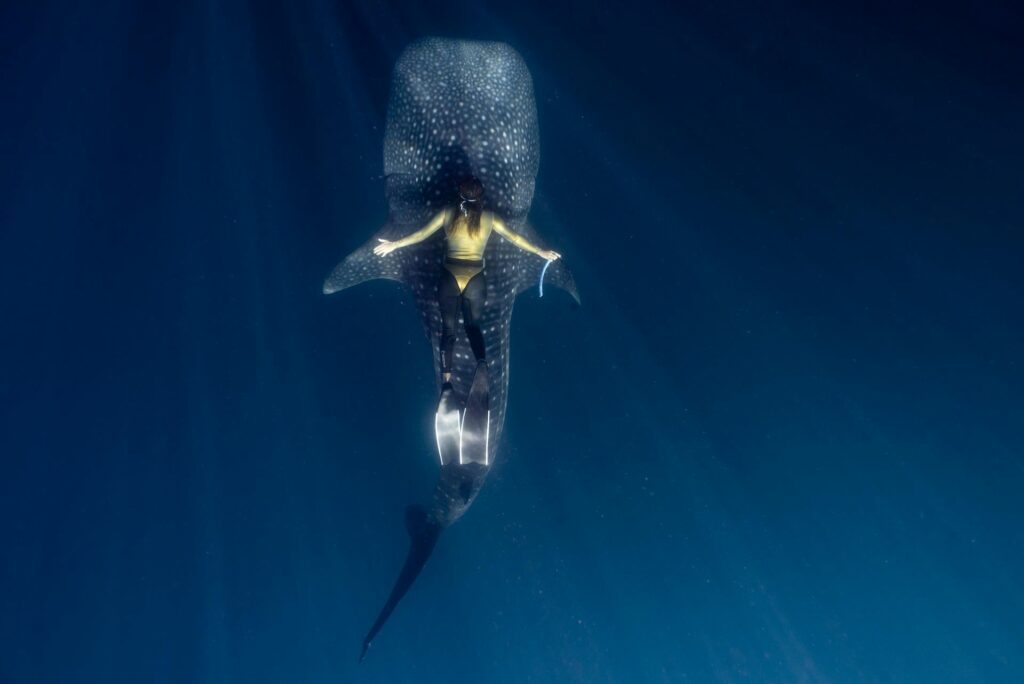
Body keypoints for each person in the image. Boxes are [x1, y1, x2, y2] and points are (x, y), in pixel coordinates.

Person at [374, 177, 560, 385]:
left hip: (450, 276)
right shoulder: (490, 218)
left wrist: (394, 245)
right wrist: (540, 251)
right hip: (475, 279)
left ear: (459, 196)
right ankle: (482, 365)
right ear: (481, 198)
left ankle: (446, 381)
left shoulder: (447, 213)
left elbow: (421, 234)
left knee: (449, 330)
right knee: (473, 327)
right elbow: (515, 238)